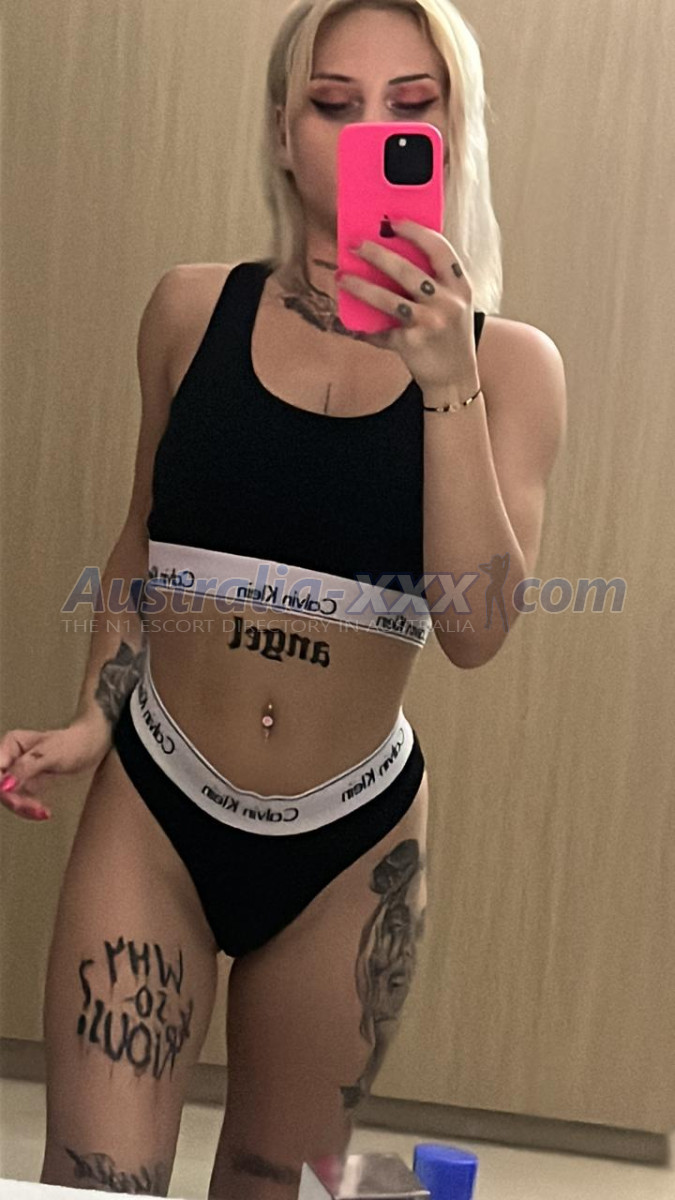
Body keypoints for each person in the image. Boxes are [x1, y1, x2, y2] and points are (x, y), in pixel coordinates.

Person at [0, 1, 566, 1197]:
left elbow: (474, 630)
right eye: (332, 102)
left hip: (351, 848)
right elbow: (140, 546)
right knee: (94, 1183)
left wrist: (446, 380)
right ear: (278, 131)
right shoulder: (188, 311)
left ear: (452, 132)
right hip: (155, 808)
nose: (368, 132)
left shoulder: (512, 367)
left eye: (411, 106)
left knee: (272, 1188)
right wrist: (95, 717)